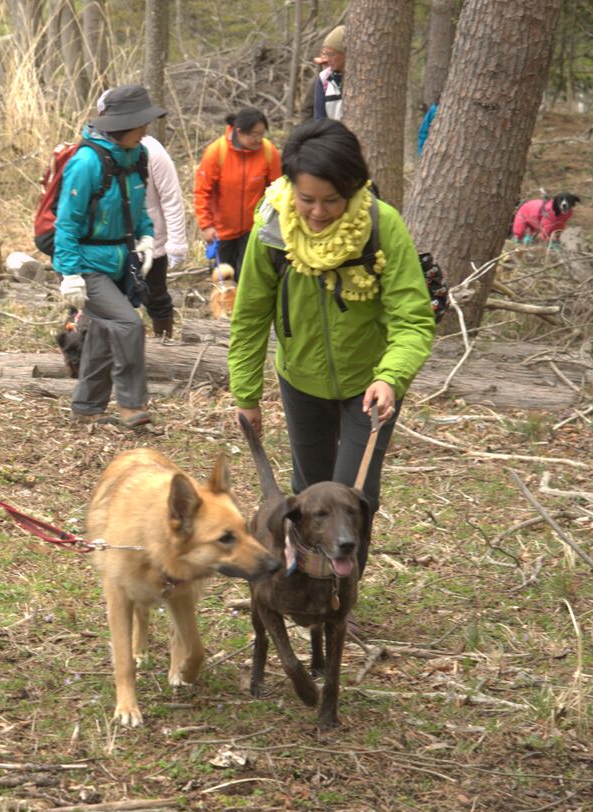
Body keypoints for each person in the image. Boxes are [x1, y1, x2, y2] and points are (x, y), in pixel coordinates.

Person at [228, 118, 435, 570]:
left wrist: (390, 378)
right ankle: (308, 583)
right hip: (300, 377)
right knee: (311, 494)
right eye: (307, 200)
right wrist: (246, 394)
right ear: (290, 187)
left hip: (369, 384)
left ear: (355, 190)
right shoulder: (272, 229)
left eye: (332, 200)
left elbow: (413, 320)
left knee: (353, 498)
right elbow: (249, 317)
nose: (318, 213)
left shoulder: (382, 227)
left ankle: (343, 596)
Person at [56, 84, 164, 429]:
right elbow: (67, 223)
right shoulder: (86, 162)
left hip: (120, 261)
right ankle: (132, 405)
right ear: (121, 124)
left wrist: (146, 237)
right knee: (128, 325)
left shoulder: (137, 157)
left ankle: (87, 404)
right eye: (139, 123)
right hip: (87, 265)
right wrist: (70, 274)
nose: (145, 130)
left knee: (104, 332)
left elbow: (138, 206)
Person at [97, 90, 187, 340]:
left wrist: (176, 244)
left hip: (151, 243)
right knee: (114, 303)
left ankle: (164, 346)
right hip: (113, 246)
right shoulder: (97, 153)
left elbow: (171, 197)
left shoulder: (152, 151)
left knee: (156, 297)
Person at [193, 107, 282, 278]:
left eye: (262, 134)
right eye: (254, 135)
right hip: (222, 230)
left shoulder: (269, 152)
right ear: (239, 132)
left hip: (254, 228)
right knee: (223, 279)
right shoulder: (216, 152)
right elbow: (202, 192)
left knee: (248, 277)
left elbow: (278, 191)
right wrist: (206, 225)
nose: (259, 139)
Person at [512, 192, 581, 247]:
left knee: (556, 227)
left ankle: (529, 240)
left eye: (568, 200)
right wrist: (547, 241)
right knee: (519, 231)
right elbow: (545, 231)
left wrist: (557, 239)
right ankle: (516, 243)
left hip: (535, 215)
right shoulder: (548, 214)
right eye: (561, 199)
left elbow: (559, 228)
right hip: (525, 211)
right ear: (556, 202)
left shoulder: (564, 216)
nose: (564, 203)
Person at [313, 25, 345, 121]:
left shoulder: (363, 77)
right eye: (325, 54)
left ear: (345, 54)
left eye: (331, 54)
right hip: (333, 134)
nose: (327, 59)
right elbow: (319, 117)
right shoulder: (324, 78)